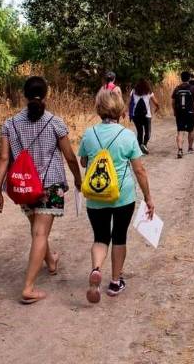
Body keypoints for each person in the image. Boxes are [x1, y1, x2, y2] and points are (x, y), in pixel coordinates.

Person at [0, 76, 83, 304]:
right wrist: (78, 179)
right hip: (49, 185)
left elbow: (3, 158)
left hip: (23, 185)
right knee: (40, 233)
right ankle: (28, 288)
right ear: (46, 95)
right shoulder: (55, 123)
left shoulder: (9, 124)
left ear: (23, 95)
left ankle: (51, 261)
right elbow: (70, 156)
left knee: (37, 229)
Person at [78, 89, 155, 303]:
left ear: (98, 108)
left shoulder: (89, 134)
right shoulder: (127, 135)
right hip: (123, 196)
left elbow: (83, 162)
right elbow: (139, 170)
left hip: (96, 196)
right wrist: (148, 197)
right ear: (120, 109)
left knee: (100, 237)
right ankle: (114, 281)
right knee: (119, 237)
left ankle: (96, 268)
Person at [172, 71, 194, 158]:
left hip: (180, 113)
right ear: (189, 78)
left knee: (180, 131)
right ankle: (190, 148)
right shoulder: (193, 88)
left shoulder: (177, 88)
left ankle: (180, 150)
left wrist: (174, 111)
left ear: (181, 78)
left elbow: (173, 102)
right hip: (190, 112)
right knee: (191, 130)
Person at [129, 78, 160, 154]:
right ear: (147, 85)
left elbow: (130, 102)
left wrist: (130, 113)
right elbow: (156, 103)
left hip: (136, 115)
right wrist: (157, 108)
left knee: (140, 132)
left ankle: (140, 146)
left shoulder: (133, 91)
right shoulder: (149, 92)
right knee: (148, 132)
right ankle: (144, 145)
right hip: (147, 115)